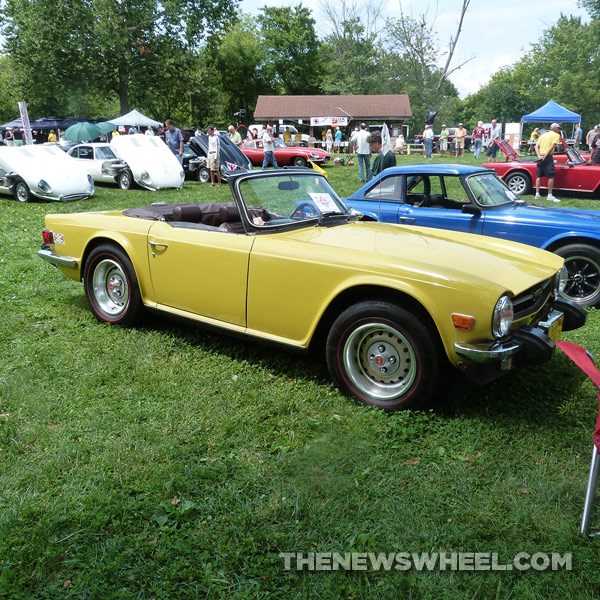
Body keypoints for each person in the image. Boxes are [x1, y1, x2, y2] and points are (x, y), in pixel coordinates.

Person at [534, 123, 561, 202]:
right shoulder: (556, 135)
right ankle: (549, 195)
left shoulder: (543, 135)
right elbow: (552, 146)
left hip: (540, 156)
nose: (559, 130)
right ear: (554, 129)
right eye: (558, 128)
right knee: (551, 176)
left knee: (539, 176)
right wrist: (545, 156)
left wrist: (539, 156)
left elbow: (536, 146)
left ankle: (537, 194)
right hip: (548, 156)